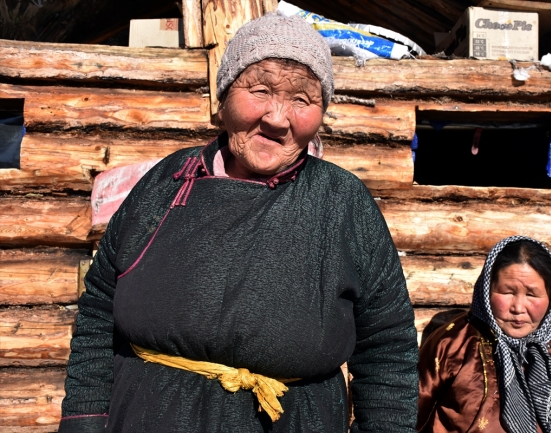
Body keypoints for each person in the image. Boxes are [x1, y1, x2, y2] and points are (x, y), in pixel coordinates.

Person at [58, 13, 418, 433]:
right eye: (261, 90)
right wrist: (83, 418)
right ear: (225, 94)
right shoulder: (165, 182)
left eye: (302, 99)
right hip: (148, 415)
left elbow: (387, 346)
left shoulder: (343, 203)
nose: (278, 118)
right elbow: (101, 305)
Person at [417, 236, 551, 433]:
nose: (518, 307)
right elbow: (408, 416)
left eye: (532, 294)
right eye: (507, 292)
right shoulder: (452, 345)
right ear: (487, 290)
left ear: (549, 296)